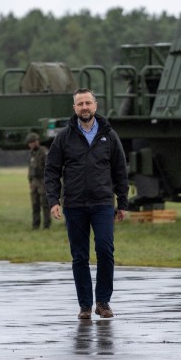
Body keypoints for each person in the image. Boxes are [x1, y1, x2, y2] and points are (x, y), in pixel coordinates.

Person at [44, 88, 129, 320]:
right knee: (79, 256)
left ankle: (103, 302)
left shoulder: (109, 135)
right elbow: (51, 170)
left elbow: (120, 170)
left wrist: (122, 202)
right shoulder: (64, 136)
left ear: (95, 106)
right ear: (74, 108)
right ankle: (85, 305)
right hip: (74, 205)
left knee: (105, 250)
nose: (84, 107)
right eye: (80, 104)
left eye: (88, 103)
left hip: (102, 203)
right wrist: (54, 200)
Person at [26, 132, 50, 230]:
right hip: (34, 181)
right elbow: (30, 168)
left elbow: (49, 168)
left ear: (37, 141)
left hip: (43, 180)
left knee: (44, 204)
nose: (31, 144)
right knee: (35, 204)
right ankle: (35, 225)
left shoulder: (44, 152)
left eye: (32, 142)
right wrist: (30, 181)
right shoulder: (32, 153)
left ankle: (46, 225)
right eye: (29, 143)